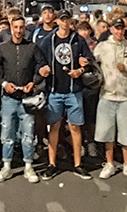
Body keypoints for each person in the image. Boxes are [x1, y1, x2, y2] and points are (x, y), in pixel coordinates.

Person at [0, 15, 49, 184]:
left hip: (27, 98)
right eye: (15, 27)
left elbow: (41, 66)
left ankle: (28, 167)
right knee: (7, 133)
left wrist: (34, 82)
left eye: (21, 27)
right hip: (9, 98)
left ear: (25, 28)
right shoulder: (2, 48)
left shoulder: (32, 47)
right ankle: (6, 166)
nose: (18, 30)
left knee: (28, 134)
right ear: (11, 27)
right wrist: (3, 84)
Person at [38, 11, 93, 180]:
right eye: (61, 20)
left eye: (66, 19)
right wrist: (43, 70)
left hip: (73, 90)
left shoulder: (78, 40)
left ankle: (78, 164)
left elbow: (88, 60)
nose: (64, 23)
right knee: (54, 127)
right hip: (54, 90)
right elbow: (40, 61)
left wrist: (81, 69)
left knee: (76, 127)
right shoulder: (49, 41)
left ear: (70, 21)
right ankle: (51, 164)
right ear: (57, 21)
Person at [92, 18, 127, 180]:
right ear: (111, 30)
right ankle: (109, 163)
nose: (119, 32)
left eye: (121, 29)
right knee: (107, 131)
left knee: (126, 131)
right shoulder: (103, 47)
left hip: (125, 96)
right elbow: (93, 62)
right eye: (116, 29)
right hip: (106, 94)